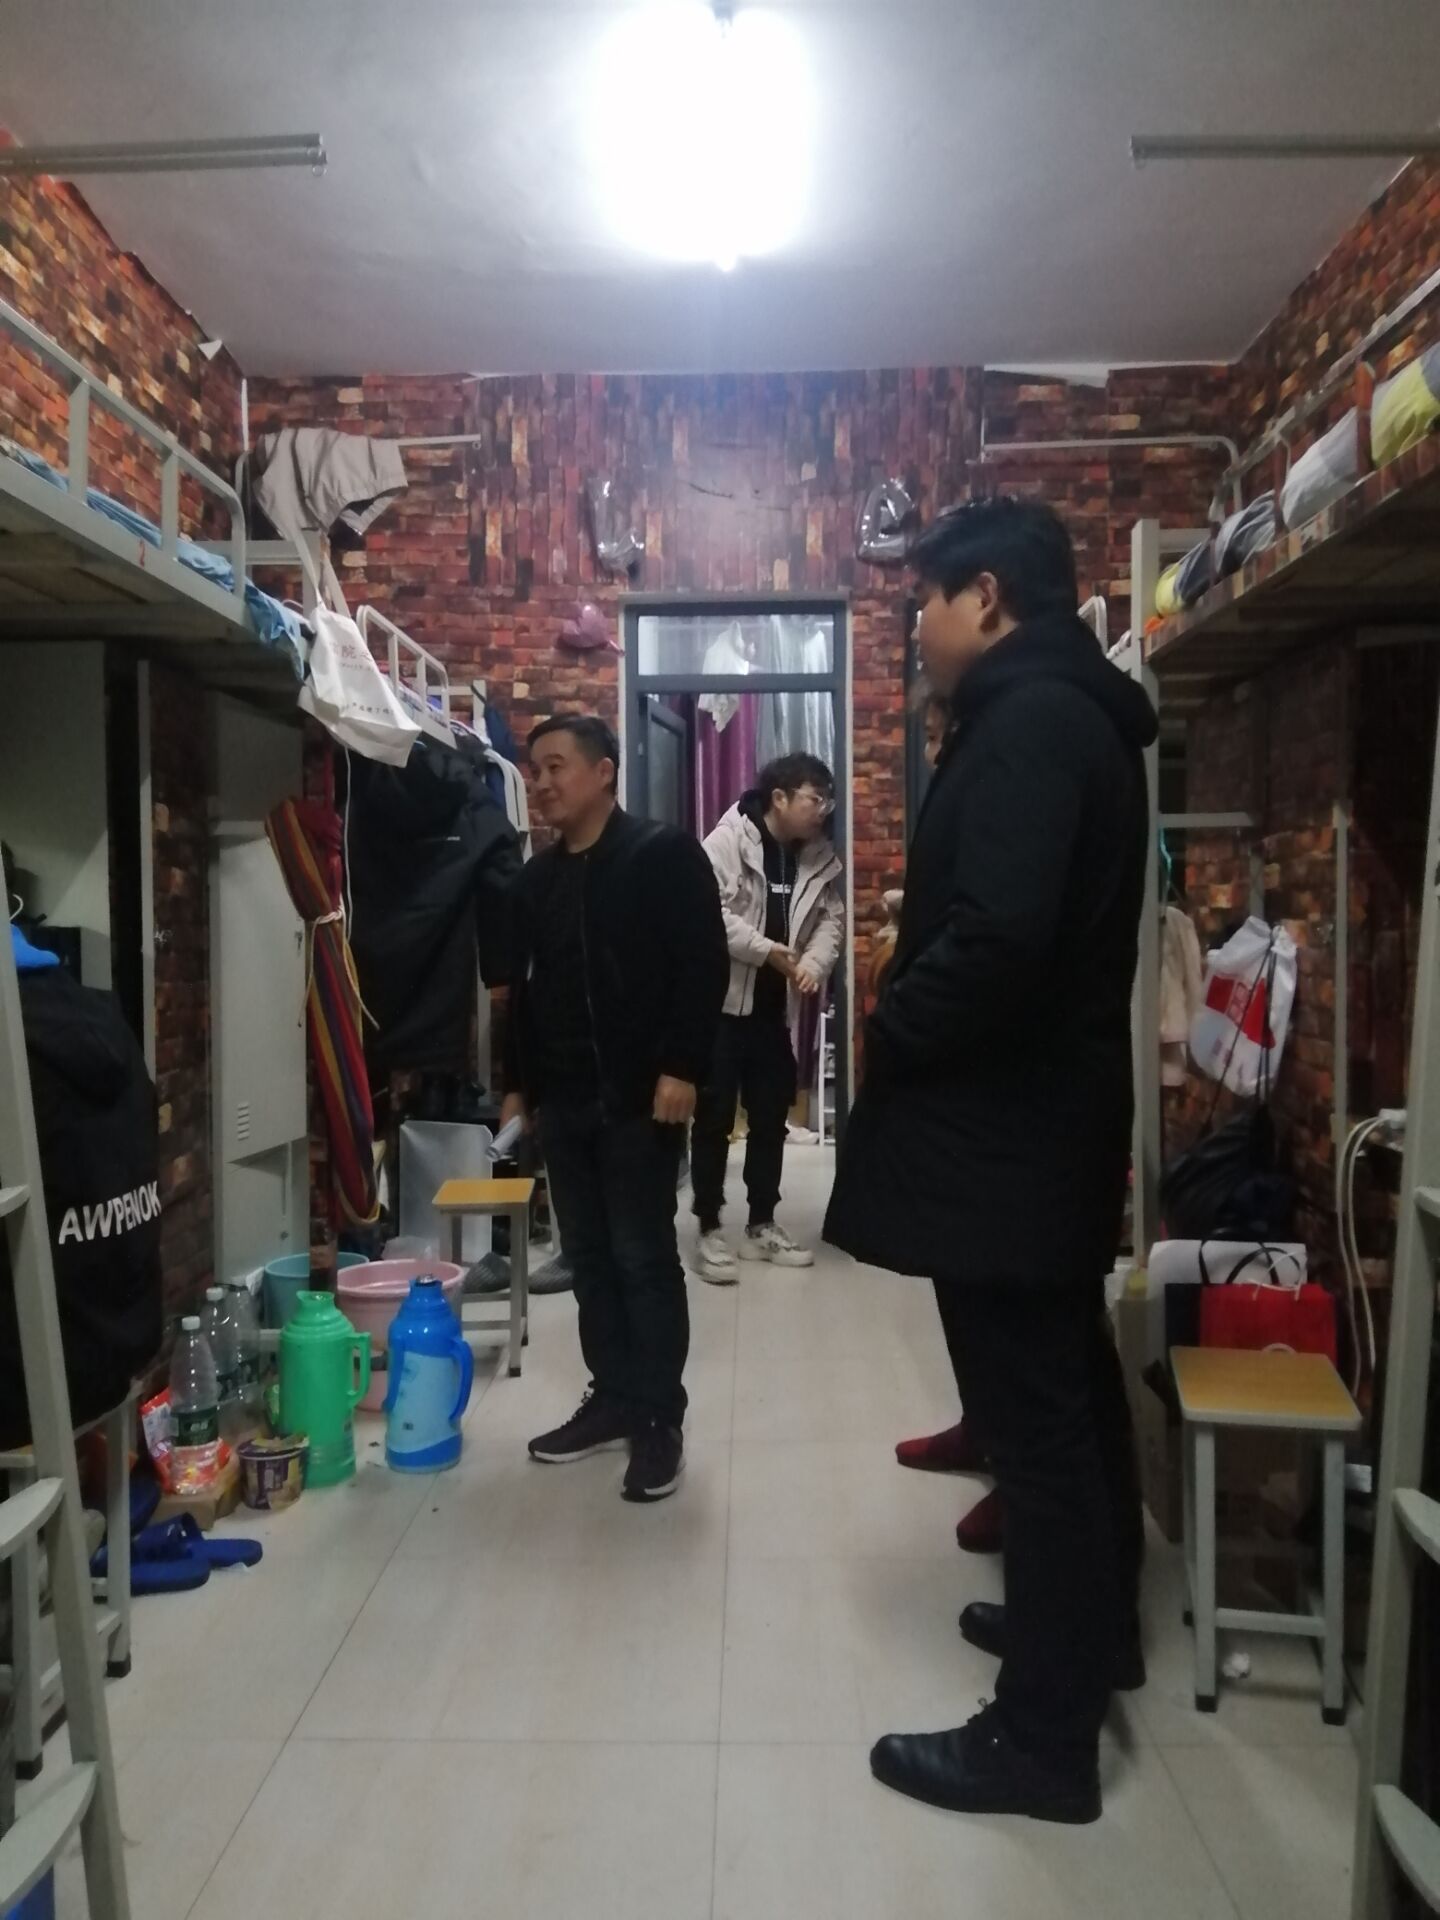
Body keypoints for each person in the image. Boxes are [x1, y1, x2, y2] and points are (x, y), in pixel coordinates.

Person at [825, 497, 1154, 1824]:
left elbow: (1000, 938)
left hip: (1010, 1140)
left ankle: (1042, 1743)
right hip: (1046, 1133)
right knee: (1069, 1398)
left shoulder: (1028, 725)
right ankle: (1090, 1638)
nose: (916, 626)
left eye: (926, 600)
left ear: (989, 600)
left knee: (1040, 1430)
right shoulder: (1069, 715)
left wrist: (895, 1016)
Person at [501, 714, 728, 1503]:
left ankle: (659, 1414)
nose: (542, 783)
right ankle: (615, 1396)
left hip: (639, 1100)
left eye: (556, 766)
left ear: (603, 773)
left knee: (642, 1256)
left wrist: (683, 1067)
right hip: (563, 1104)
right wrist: (518, 1086)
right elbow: (522, 995)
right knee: (590, 1260)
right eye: (535, 769)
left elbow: (701, 966)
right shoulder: (535, 881)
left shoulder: (661, 855)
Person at [690, 752, 844, 1280]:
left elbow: (830, 919)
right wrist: (766, 951)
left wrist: (813, 965)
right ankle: (708, 1225)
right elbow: (707, 912)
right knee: (713, 1119)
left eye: (826, 800)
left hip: (773, 1011)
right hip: (720, 1008)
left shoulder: (816, 853)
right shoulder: (727, 840)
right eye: (814, 799)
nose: (822, 810)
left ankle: (761, 1223)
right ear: (779, 798)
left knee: (770, 1117)